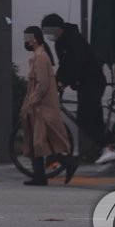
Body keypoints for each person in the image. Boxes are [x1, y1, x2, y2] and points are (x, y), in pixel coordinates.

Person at [40, 13, 115, 164]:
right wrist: (56, 82)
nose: (48, 36)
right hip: (83, 83)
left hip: (92, 81)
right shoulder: (60, 42)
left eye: (49, 32)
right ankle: (104, 148)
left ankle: (108, 148)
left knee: (86, 117)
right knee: (93, 117)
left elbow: (76, 65)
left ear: (58, 29)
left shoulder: (73, 39)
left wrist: (63, 83)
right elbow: (64, 65)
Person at [20, 26, 78, 186]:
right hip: (40, 106)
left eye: (27, 37)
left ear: (35, 39)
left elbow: (43, 84)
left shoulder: (40, 57)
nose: (25, 41)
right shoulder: (39, 56)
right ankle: (43, 174)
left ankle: (65, 163)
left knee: (38, 141)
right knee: (39, 140)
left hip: (41, 107)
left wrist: (33, 100)